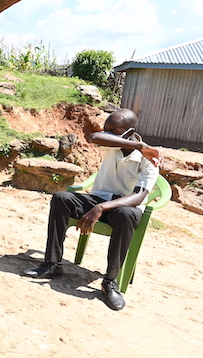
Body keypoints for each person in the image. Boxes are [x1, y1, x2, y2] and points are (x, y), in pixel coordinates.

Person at [21, 108, 163, 311]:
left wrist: (101, 207)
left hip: (123, 208)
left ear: (130, 131)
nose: (107, 133)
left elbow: (139, 196)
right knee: (61, 198)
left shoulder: (149, 160)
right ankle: (52, 264)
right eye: (107, 128)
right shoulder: (116, 143)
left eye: (113, 130)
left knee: (126, 214)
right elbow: (94, 136)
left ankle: (110, 282)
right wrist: (140, 145)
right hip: (98, 199)